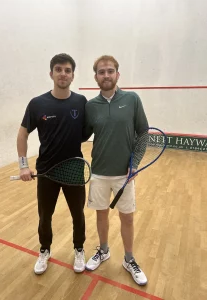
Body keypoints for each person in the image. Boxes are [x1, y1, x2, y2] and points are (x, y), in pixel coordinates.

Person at [17, 53, 87, 275]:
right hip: (47, 171)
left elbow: (87, 132)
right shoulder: (37, 104)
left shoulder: (81, 102)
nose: (63, 74)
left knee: (78, 214)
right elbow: (22, 135)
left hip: (74, 169)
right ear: (51, 73)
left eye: (67, 70)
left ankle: (79, 249)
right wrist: (22, 165)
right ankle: (44, 251)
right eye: (58, 69)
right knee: (45, 216)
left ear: (73, 75)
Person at [84, 55, 148, 285]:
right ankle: (103, 250)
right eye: (101, 72)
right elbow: (81, 133)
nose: (106, 75)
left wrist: (135, 163)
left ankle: (129, 259)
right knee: (101, 215)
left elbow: (143, 132)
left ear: (117, 74)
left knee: (127, 218)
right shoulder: (90, 106)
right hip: (99, 172)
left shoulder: (132, 99)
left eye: (110, 71)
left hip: (125, 174)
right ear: (96, 77)